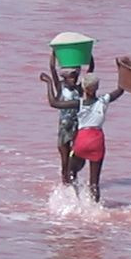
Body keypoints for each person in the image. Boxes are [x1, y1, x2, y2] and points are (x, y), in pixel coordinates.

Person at [67, 73, 125, 203]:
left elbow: (54, 103)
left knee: (71, 171)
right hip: (97, 141)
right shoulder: (103, 100)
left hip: (82, 140)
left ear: (84, 88)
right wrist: (121, 68)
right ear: (97, 87)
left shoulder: (79, 103)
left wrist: (48, 82)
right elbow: (120, 89)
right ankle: (94, 207)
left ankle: (75, 198)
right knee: (94, 182)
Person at [39, 58, 84, 184]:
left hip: (76, 128)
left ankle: (73, 181)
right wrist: (54, 52)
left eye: (75, 77)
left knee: (75, 159)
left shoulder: (79, 89)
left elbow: (90, 69)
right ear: (64, 77)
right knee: (64, 160)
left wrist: (87, 54)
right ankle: (66, 185)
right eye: (70, 77)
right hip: (64, 129)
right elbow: (52, 68)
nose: (73, 80)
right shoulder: (60, 87)